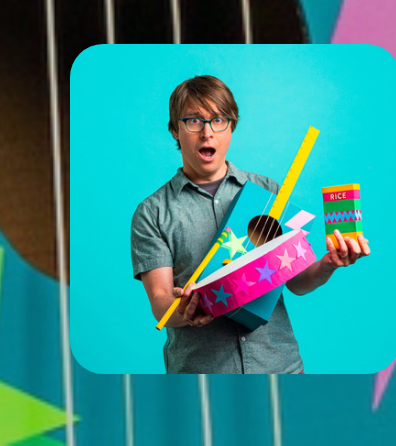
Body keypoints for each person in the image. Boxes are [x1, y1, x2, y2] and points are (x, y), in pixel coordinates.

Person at [130, 75, 371, 373]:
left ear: (231, 127)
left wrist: (329, 264)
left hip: (280, 366)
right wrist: (184, 310)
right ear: (174, 130)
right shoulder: (152, 213)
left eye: (218, 120)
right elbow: (160, 302)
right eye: (193, 120)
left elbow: (296, 281)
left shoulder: (268, 191)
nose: (207, 132)